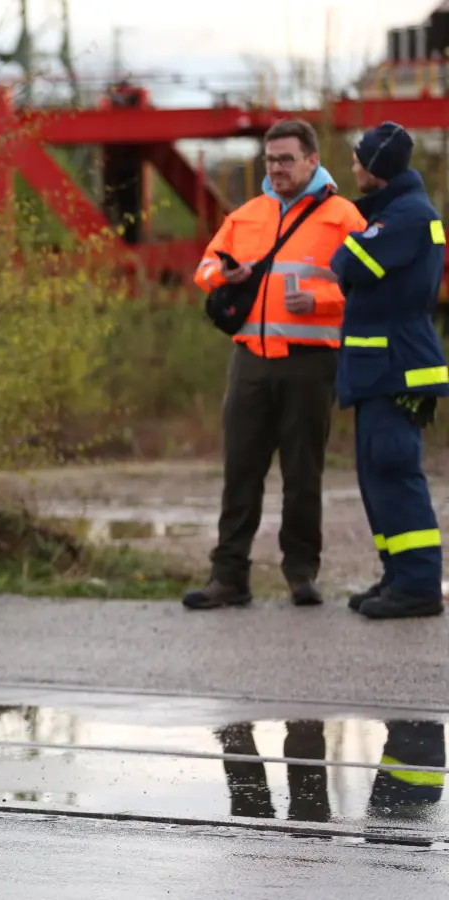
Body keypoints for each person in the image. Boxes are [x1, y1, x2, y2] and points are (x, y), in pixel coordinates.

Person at [183, 119, 368, 611]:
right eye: (270, 160)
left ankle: (301, 574)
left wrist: (322, 301)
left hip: (310, 364)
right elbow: (203, 269)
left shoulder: (343, 217)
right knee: (240, 471)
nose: (277, 168)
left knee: (302, 474)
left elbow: (369, 290)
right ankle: (228, 577)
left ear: (312, 159)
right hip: (249, 363)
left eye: (286, 159)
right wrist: (221, 276)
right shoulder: (246, 216)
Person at [332, 122, 449, 620]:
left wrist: (354, 234)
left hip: (395, 365)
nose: (354, 166)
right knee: (375, 475)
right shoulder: (395, 211)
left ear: (377, 168)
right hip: (379, 367)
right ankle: (399, 574)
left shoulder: (406, 216)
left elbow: (350, 263)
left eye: (360, 159)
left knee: (393, 471)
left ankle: (420, 583)